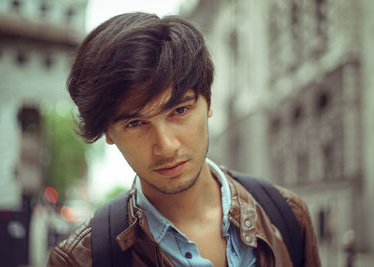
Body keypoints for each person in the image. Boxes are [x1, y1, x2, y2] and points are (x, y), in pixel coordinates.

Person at [47, 12, 321, 267]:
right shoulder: (81, 260)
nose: (166, 146)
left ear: (209, 101)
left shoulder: (287, 216)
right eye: (135, 123)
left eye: (179, 110)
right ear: (108, 133)